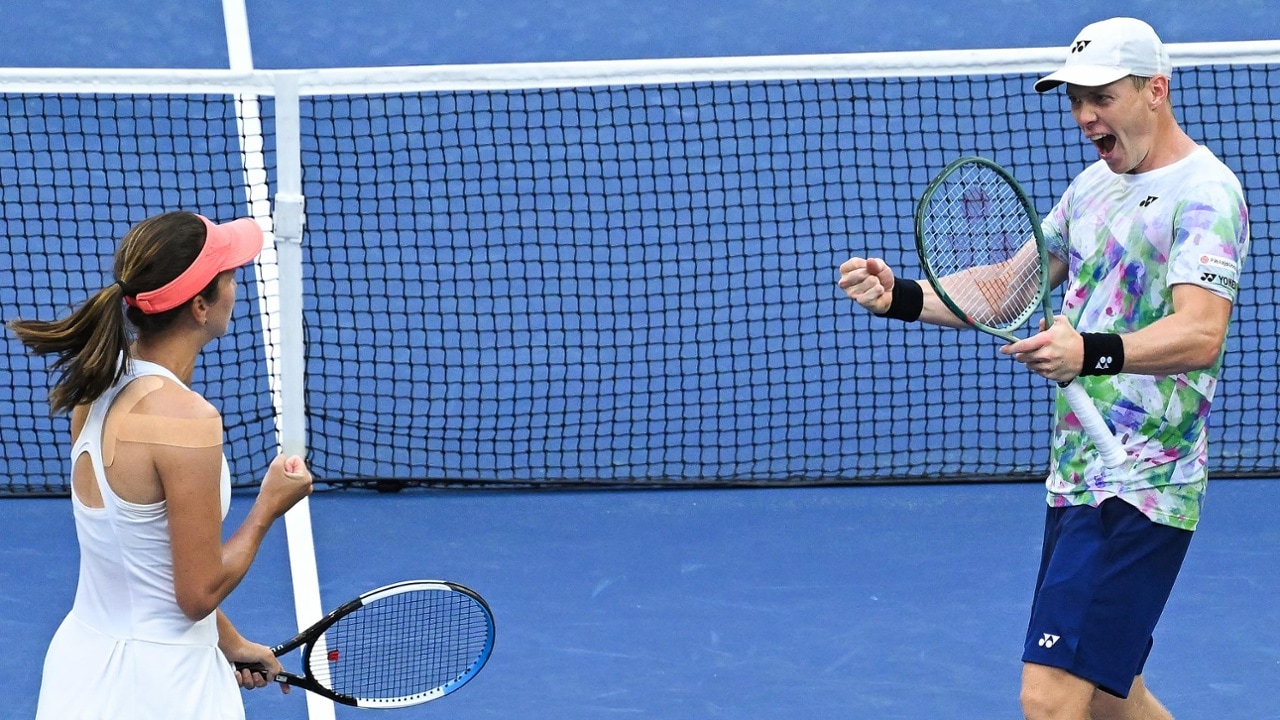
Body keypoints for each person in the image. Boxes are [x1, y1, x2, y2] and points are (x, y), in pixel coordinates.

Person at [837, 17, 1249, 720]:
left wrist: (1088, 351)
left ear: (1155, 90)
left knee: (1051, 700)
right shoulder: (1091, 188)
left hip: (1142, 484)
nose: (1085, 116)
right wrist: (900, 296)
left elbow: (1201, 333)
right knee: (1113, 699)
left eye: (1102, 97)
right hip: (1078, 473)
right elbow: (1007, 288)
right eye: (1076, 100)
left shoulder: (1206, 193)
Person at [8, 211, 315, 719]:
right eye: (229, 277)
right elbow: (197, 594)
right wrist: (268, 508)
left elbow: (141, 561)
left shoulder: (95, 385)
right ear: (200, 306)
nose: (236, 287)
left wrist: (231, 642)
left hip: (79, 675)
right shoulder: (188, 422)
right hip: (168, 689)